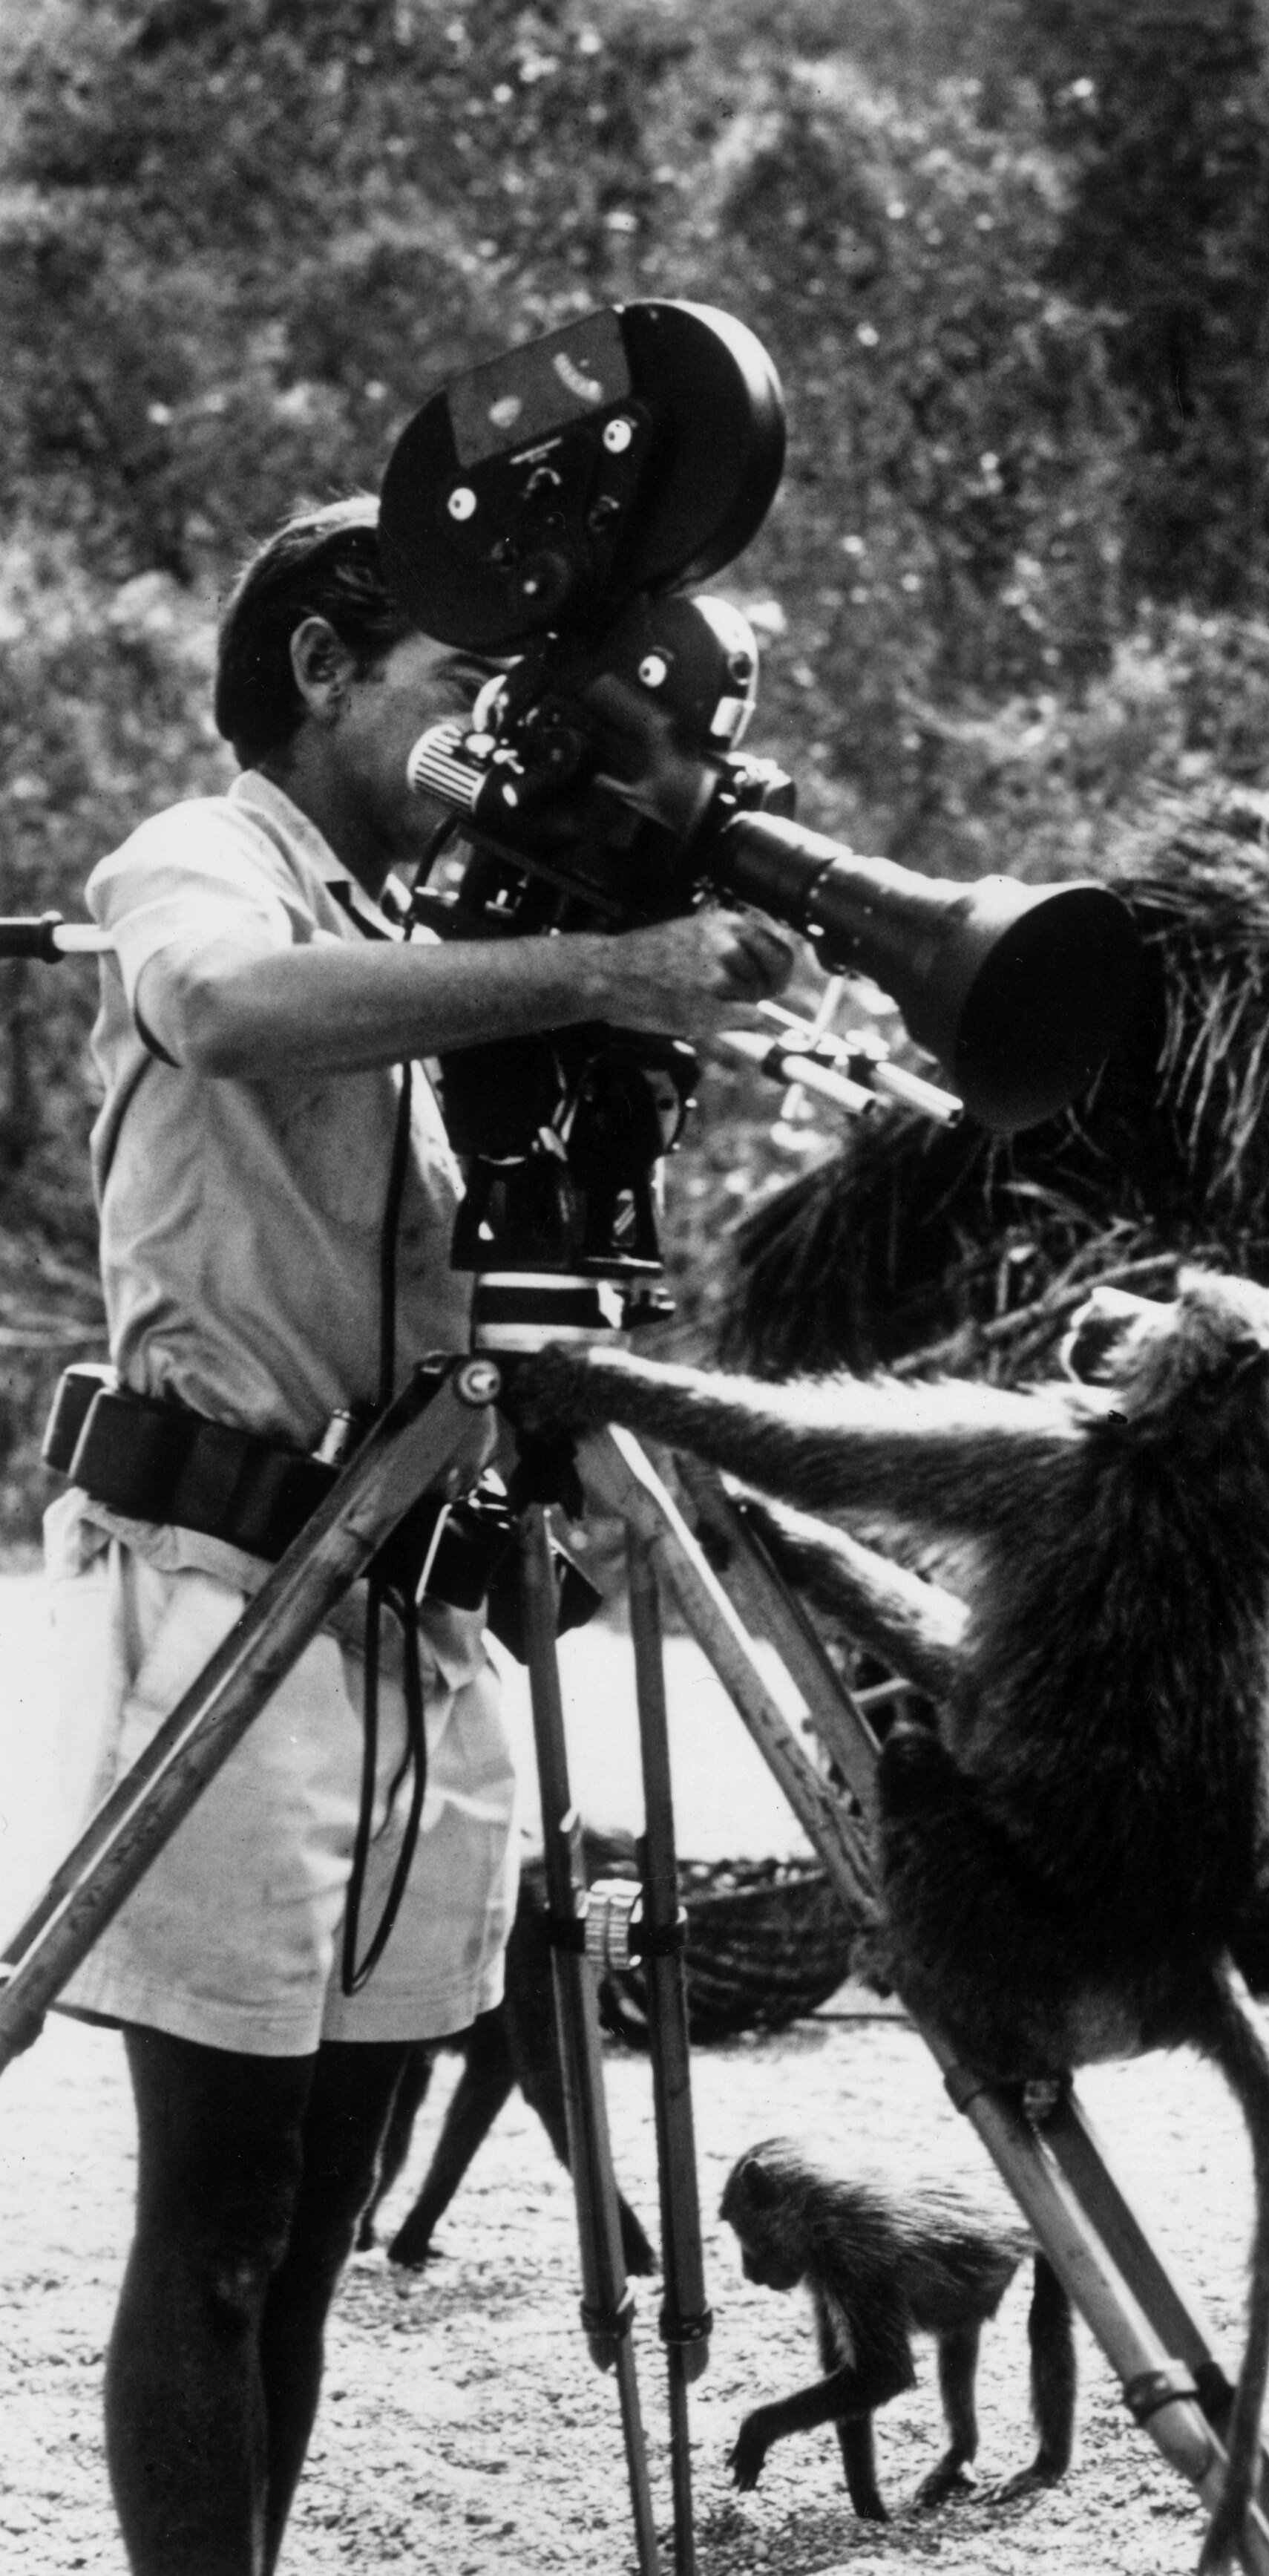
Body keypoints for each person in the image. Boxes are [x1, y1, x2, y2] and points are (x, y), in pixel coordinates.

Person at [45, 494, 797, 2575]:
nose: (489, 735)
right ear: (316, 672)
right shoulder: (206, 860)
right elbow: (212, 1008)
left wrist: (635, 1014)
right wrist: (595, 966)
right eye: (458, 688)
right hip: (227, 1600)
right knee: (214, 2225)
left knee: (304, 2249)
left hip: (420, 1616)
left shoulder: (437, 930)